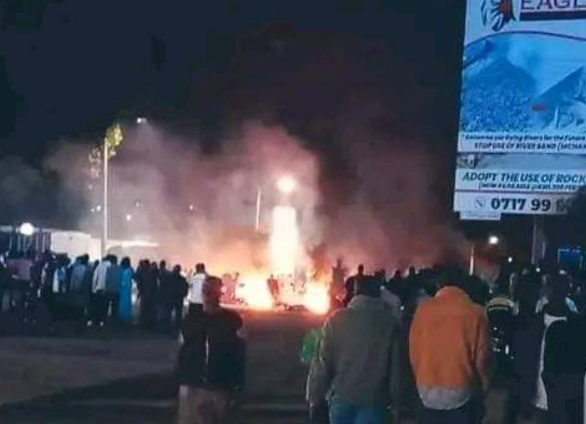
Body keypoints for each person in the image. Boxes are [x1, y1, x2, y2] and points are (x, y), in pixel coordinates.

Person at [308, 276, 403, 424]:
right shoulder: (389, 323)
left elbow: (322, 364)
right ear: (378, 293)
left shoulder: (335, 320)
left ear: (354, 292)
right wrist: (396, 403)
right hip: (374, 401)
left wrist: (315, 397)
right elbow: (395, 369)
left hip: (341, 397)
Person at [409, 266, 492, 424]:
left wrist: (419, 380)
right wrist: (484, 386)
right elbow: (482, 359)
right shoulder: (475, 313)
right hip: (461, 391)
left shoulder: (422, 310)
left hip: (426, 391)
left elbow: (414, 354)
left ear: (440, 286)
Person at [506, 273, 586, 424]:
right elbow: (520, 367)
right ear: (548, 291)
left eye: (560, 288)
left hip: (563, 407)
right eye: (554, 288)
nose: (557, 292)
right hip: (532, 405)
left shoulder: (577, 327)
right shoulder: (530, 325)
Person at [176, 276, 246, 424]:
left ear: (219, 293)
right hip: (193, 385)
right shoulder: (191, 319)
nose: (207, 293)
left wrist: (237, 385)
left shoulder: (231, 320)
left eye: (211, 289)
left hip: (219, 386)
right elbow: (182, 351)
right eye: (205, 289)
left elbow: (239, 354)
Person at [90, 256, 111, 327]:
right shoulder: (110, 266)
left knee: (98, 306)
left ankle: (96, 321)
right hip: (107, 290)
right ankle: (103, 321)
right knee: (105, 307)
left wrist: (93, 289)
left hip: (99, 289)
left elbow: (94, 278)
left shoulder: (99, 266)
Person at [118, 257, 134, 325]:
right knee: (125, 304)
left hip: (124, 289)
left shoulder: (123, 269)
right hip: (125, 290)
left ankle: (124, 319)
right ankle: (125, 319)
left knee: (123, 304)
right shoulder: (129, 270)